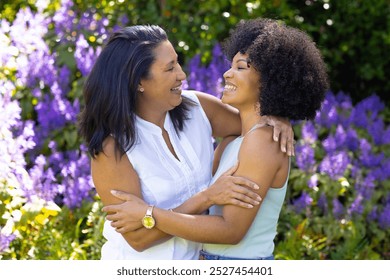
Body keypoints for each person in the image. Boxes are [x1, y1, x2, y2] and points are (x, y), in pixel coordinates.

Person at [103, 18, 329, 260]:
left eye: (241, 67)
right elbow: (210, 204)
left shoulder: (262, 139)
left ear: (272, 80)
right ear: (138, 81)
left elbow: (231, 230)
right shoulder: (233, 142)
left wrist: (148, 213)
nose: (227, 74)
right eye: (170, 68)